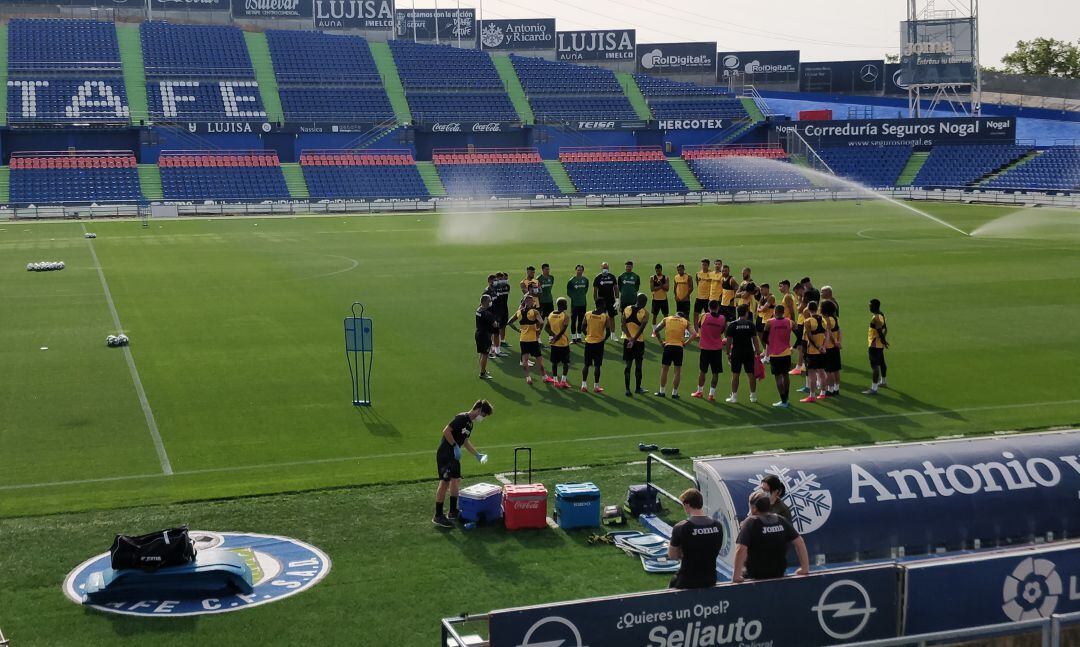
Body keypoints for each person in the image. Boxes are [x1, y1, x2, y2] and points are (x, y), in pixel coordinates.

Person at [433, 399, 493, 528]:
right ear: (478, 410)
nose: (482, 418)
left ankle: (452, 511)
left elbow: (465, 441)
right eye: (483, 415)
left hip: (454, 456)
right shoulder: (461, 418)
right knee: (445, 482)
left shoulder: (470, 424)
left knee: (456, 480)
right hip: (445, 454)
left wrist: (477, 455)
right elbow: (446, 431)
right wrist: (454, 446)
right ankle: (438, 516)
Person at [731, 490, 809, 582]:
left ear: (754, 508)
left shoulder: (751, 522)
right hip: (778, 574)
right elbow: (800, 543)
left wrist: (736, 576)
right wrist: (804, 568)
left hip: (755, 577)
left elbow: (741, 549)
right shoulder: (781, 520)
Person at [667, 488, 724, 590]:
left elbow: (673, 555)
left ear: (687, 504)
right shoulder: (718, 525)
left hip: (687, 581)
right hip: (710, 579)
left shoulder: (681, 527)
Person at [507, 295, 550, 385]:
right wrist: (538, 330)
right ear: (533, 303)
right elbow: (542, 322)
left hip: (523, 339)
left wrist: (518, 330)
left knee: (525, 360)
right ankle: (544, 377)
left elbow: (509, 322)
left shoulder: (519, 312)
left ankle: (528, 378)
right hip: (533, 340)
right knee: (539, 360)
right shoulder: (535, 312)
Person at [725, 304, 762, 403]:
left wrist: (728, 353)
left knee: (735, 375)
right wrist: (758, 352)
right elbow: (755, 340)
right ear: (746, 313)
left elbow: (728, 341)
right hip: (748, 352)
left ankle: (734, 397)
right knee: (751, 375)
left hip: (736, 353)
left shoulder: (732, 325)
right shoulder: (750, 324)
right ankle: (753, 396)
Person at [691, 300, 727, 401]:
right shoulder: (722, 318)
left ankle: (699, 391)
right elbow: (722, 331)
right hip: (717, 349)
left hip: (705, 348)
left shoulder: (704, 316)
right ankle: (711, 395)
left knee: (703, 371)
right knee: (715, 373)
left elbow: (699, 325)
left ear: (708, 307)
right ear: (718, 307)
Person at [653, 310, 693, 399]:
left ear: (675, 315)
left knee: (665, 369)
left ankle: (662, 391)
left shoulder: (667, 319)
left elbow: (656, 330)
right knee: (677, 371)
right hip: (679, 348)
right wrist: (685, 343)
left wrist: (661, 342)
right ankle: (674, 393)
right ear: (682, 317)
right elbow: (694, 334)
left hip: (668, 347)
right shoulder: (685, 321)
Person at [763, 305, 794, 407]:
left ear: (775, 311)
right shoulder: (789, 322)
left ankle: (783, 400)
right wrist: (793, 346)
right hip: (786, 353)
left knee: (778, 377)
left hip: (775, 354)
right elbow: (799, 335)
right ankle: (787, 398)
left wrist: (771, 344)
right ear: (783, 311)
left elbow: (764, 338)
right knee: (785, 375)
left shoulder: (769, 322)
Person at [800, 301, 831, 403]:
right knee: (822, 372)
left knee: (812, 374)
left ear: (808, 309)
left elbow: (809, 337)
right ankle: (823, 393)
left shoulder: (808, 321)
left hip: (812, 352)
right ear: (817, 308)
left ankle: (812, 395)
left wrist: (817, 347)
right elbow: (827, 335)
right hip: (822, 351)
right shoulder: (823, 320)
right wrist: (824, 346)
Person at [581, 298, 614, 393]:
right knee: (597, 365)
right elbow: (608, 331)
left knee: (586, 365)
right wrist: (604, 339)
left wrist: (587, 335)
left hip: (589, 342)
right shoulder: (604, 317)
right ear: (602, 305)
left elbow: (583, 327)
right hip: (599, 343)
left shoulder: (588, 314)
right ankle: (596, 386)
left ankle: (584, 385)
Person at [622, 293, 650, 397]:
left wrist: (629, 337)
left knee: (628, 366)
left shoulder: (627, 309)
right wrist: (634, 339)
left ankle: (627, 390)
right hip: (638, 342)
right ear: (645, 302)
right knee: (638, 366)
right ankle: (638, 388)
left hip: (627, 341)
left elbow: (623, 325)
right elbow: (642, 328)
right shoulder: (645, 313)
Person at [863, 298, 889, 395]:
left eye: (870, 305)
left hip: (874, 344)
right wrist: (883, 341)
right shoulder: (882, 314)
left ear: (874, 306)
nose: (869, 307)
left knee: (875, 366)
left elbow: (879, 331)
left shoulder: (876, 318)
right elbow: (885, 329)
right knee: (881, 362)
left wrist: (883, 340)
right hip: (879, 344)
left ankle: (874, 388)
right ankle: (883, 381)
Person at [545, 297, 572, 388]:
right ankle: (563, 381)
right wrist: (556, 338)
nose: (567, 305)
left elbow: (546, 328)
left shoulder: (551, 314)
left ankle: (555, 381)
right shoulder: (565, 316)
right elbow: (563, 330)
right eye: (566, 304)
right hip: (563, 343)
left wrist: (553, 335)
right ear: (563, 305)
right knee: (566, 363)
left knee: (554, 363)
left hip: (554, 344)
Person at [821, 300, 843, 397]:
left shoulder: (827, 320)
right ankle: (836, 389)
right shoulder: (835, 318)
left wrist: (835, 342)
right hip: (835, 348)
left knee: (828, 370)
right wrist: (838, 342)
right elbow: (839, 330)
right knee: (836, 369)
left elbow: (828, 332)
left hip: (829, 347)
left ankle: (830, 389)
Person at [475, 294, 498, 379]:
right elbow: (495, 325)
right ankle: (482, 373)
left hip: (478, 334)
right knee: (485, 354)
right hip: (485, 336)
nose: (491, 302)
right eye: (489, 301)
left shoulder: (478, 310)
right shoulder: (487, 314)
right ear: (486, 302)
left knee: (482, 353)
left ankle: (483, 369)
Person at [567, 264, 590, 343]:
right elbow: (568, 292)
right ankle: (573, 338)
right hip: (575, 304)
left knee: (581, 321)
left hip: (583, 303)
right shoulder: (571, 281)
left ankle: (579, 337)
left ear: (583, 271)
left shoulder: (585, 280)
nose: (579, 271)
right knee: (573, 321)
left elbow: (586, 289)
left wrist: (581, 296)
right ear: (576, 270)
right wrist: (575, 297)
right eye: (578, 270)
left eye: (581, 270)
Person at [789, 282, 807, 377]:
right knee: (801, 343)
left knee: (801, 344)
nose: (796, 294)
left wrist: (799, 302)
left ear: (800, 289)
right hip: (801, 320)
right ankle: (802, 364)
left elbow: (800, 309)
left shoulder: (804, 297)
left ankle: (799, 367)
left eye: (796, 292)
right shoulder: (804, 296)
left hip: (803, 321)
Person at [494, 272, 511, 349]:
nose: (505, 280)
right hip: (497, 309)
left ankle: (502, 341)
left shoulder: (507, 286)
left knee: (504, 324)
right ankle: (494, 343)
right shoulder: (495, 287)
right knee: (496, 326)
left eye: (506, 279)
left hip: (504, 307)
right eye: (504, 279)